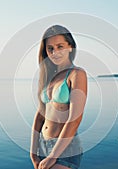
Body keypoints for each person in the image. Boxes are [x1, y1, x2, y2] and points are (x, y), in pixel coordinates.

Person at [30, 25, 87, 169]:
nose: (55, 52)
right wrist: (33, 152)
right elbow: (40, 114)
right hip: (43, 146)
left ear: (70, 47)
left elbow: (75, 119)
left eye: (60, 46)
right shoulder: (49, 76)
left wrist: (53, 156)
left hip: (65, 148)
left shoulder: (76, 74)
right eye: (50, 48)